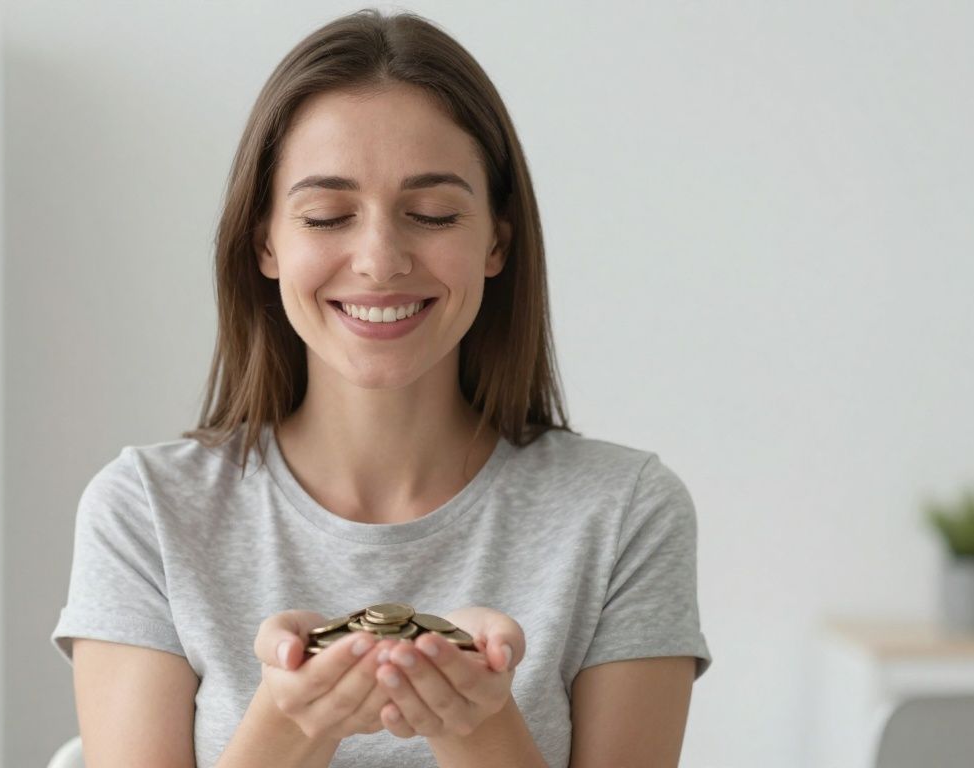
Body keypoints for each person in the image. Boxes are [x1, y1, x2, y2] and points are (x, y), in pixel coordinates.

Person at [51, 8, 711, 767]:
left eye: (430, 213)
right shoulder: (146, 513)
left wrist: (477, 728)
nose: (379, 259)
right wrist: (288, 729)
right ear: (265, 241)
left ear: (496, 239)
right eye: (328, 215)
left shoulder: (625, 512)